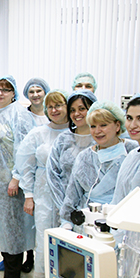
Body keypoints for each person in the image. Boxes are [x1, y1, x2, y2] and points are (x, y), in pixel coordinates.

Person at [60, 101, 138, 278]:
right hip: (89, 223)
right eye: (93, 126)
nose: (97, 131)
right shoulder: (85, 157)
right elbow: (72, 192)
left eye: (103, 125)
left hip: (120, 227)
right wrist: (66, 221)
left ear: (118, 125)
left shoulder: (133, 152)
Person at [16, 89, 70, 278]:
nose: (54, 110)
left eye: (59, 105)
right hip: (43, 193)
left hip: (69, 195)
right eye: (50, 106)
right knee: (43, 238)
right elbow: (25, 164)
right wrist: (28, 195)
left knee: (67, 242)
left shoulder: (76, 134)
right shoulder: (38, 133)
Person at [0, 75, 36, 278]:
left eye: (6, 89)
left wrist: (16, 177)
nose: (1, 93)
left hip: (13, 179)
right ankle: (7, 257)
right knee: (2, 223)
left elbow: (24, 149)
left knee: (14, 223)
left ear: (13, 93)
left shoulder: (20, 114)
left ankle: (12, 272)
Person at [46, 90, 98, 224]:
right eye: (72, 110)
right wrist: (64, 207)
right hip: (62, 207)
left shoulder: (100, 140)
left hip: (93, 210)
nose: (76, 114)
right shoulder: (63, 140)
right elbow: (52, 174)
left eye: (82, 109)